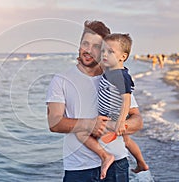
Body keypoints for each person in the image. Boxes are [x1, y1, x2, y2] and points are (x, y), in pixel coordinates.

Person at [46, 20, 143, 182]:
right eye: (85, 44)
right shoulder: (61, 80)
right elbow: (54, 123)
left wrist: (115, 126)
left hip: (117, 165)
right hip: (79, 169)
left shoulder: (114, 78)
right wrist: (89, 124)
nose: (88, 50)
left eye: (96, 46)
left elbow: (137, 121)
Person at [75, 33, 149, 180]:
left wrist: (121, 121)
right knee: (126, 140)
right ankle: (141, 163)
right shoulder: (111, 71)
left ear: (123, 57)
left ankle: (106, 156)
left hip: (111, 117)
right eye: (103, 51)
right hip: (113, 114)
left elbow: (127, 98)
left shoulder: (120, 75)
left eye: (110, 52)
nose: (105, 54)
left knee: (81, 133)